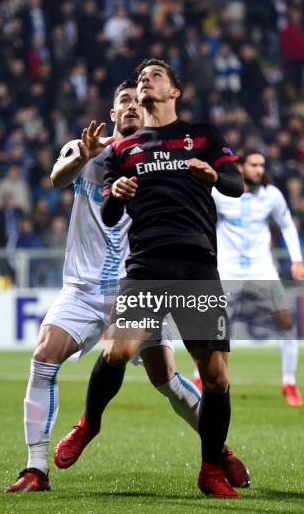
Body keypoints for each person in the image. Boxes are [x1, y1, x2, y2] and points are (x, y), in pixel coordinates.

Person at [5, 81, 218, 493]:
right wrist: (81, 157)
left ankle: (217, 449)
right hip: (83, 290)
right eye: (124, 101)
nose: (133, 106)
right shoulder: (86, 150)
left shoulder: (161, 160)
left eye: (139, 101)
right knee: (44, 355)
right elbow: (55, 178)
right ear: (114, 112)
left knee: (166, 378)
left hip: (137, 286)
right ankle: (35, 468)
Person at [95, 59, 245, 499]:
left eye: (155, 75)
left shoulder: (203, 135)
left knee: (215, 377)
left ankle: (210, 470)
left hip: (198, 266)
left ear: (175, 91)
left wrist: (214, 174)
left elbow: (235, 184)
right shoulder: (123, 150)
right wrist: (116, 194)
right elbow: (109, 213)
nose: (146, 80)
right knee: (119, 350)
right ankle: (88, 424)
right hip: (147, 266)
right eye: (142, 77)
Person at [195, 148, 304, 406]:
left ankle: (289, 382)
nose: (259, 169)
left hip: (262, 270)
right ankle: (199, 378)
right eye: (254, 164)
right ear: (241, 167)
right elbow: (200, 219)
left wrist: (297, 260)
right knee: (215, 328)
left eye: (262, 165)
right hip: (227, 270)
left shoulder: (272, 196)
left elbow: (287, 225)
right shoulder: (220, 193)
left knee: (286, 322)